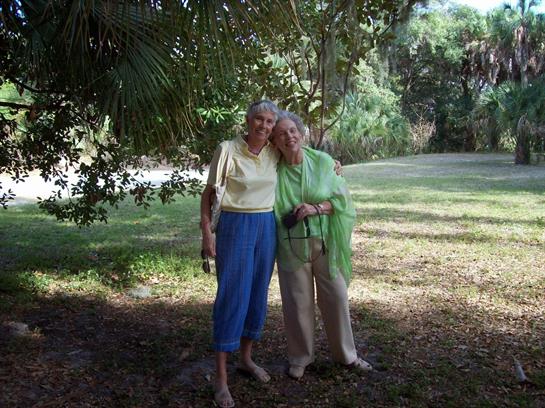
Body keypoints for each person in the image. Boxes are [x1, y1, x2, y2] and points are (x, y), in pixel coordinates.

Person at [271, 111, 373, 380]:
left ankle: (346, 355)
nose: (288, 136)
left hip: (325, 242)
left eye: (292, 130)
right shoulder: (272, 169)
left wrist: (315, 208)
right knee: (297, 302)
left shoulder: (323, 162)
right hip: (290, 246)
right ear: (275, 141)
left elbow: (342, 202)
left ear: (300, 132)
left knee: (336, 297)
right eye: (281, 133)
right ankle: (300, 358)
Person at [200, 100, 280, 408]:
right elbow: (208, 196)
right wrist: (207, 234)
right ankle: (220, 378)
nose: (264, 125)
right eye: (259, 119)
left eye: (269, 121)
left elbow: (301, 152)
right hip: (236, 224)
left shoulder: (274, 151)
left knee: (258, 294)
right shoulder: (228, 149)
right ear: (248, 120)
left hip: (267, 225)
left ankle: (246, 359)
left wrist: (333, 164)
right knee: (232, 294)